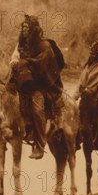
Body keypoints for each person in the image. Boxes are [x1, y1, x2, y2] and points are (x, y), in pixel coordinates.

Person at [8, 15, 65, 159]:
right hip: (25, 81)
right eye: (23, 28)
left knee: (37, 107)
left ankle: (40, 144)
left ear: (33, 29)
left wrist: (26, 62)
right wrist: (15, 62)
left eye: (27, 28)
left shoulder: (44, 45)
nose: (24, 30)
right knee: (7, 99)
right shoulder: (22, 44)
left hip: (42, 83)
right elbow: (15, 55)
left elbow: (43, 63)